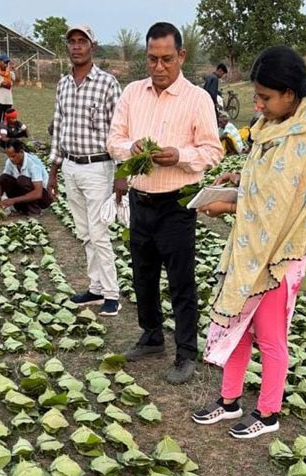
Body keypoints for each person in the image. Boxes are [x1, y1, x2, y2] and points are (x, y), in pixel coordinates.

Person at [192, 45, 306, 439]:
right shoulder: (273, 128)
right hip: (250, 250)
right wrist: (238, 179)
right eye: (256, 96)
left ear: (290, 94)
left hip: (279, 256)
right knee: (237, 327)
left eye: (264, 97)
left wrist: (228, 206)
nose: (258, 105)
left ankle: (268, 413)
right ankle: (229, 401)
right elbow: (266, 182)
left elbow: (280, 203)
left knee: (271, 338)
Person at [107, 22, 223, 385]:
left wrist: (180, 156)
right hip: (140, 200)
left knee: (180, 280)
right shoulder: (132, 93)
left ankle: (186, 352)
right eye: (152, 59)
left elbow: (213, 151)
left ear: (181, 56)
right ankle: (152, 336)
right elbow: (114, 139)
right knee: (142, 275)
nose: (159, 67)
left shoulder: (198, 99)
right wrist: (131, 149)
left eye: (167, 59)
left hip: (177, 204)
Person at [48, 24, 123, 318]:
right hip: (70, 166)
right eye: (72, 42)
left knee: (99, 233)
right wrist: (53, 170)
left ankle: (112, 294)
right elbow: (59, 129)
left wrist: (121, 173)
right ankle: (95, 288)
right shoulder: (63, 85)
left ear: (93, 46)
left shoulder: (107, 83)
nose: (76, 46)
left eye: (82, 41)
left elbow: (119, 130)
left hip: (98, 167)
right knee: (85, 233)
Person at [0, 139, 51, 215]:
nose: (11, 159)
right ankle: (21, 209)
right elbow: (2, 180)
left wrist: (13, 200)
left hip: (42, 198)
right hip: (24, 195)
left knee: (22, 180)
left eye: (13, 156)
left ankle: (35, 210)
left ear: (21, 152)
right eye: (9, 156)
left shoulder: (33, 164)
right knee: (4, 178)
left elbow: (38, 193)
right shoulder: (10, 162)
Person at [0, 54, 17, 142]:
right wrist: (0, 84)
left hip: (8, 100)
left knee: (7, 120)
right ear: (0, 62)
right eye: (5, 62)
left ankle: (6, 138)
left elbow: (17, 80)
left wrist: (14, 70)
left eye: (7, 63)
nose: (6, 64)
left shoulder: (9, 72)